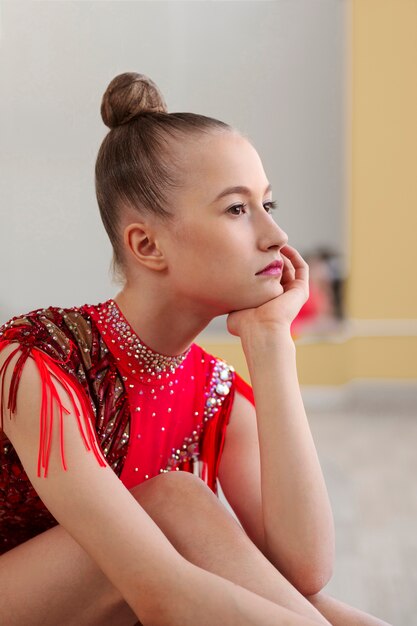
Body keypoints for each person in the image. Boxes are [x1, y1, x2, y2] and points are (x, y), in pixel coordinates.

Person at [0, 72, 391, 626]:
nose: (276, 235)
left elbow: (304, 573)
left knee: (320, 607)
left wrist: (271, 341)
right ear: (147, 245)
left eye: (268, 203)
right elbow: (163, 594)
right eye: (237, 209)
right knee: (175, 500)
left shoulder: (216, 394)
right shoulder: (40, 360)